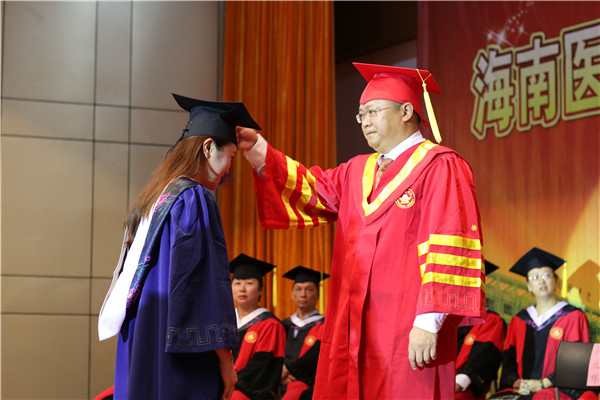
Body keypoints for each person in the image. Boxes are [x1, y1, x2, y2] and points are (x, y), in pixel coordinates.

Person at [236, 62, 486, 399]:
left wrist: (428, 322)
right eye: (360, 114)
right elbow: (311, 190)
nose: (365, 121)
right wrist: (258, 151)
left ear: (407, 111)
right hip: (353, 322)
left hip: (405, 324)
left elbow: (450, 240)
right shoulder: (357, 170)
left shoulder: (440, 165)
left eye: (372, 111)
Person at [98, 94, 262, 400]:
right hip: (180, 351)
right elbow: (203, 286)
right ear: (208, 147)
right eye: (231, 156)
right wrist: (226, 360)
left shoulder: (155, 198)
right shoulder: (193, 200)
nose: (229, 168)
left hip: (142, 336)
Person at [491, 248, 591, 400]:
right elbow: (509, 364)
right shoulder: (519, 320)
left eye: (546, 275)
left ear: (556, 281)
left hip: (558, 390)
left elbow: (577, 363)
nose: (541, 281)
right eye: (535, 277)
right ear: (528, 286)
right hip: (523, 390)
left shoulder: (573, 316)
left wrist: (543, 383)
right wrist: (516, 382)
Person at [230, 253, 286, 400]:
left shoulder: (270, 325)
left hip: (247, 394)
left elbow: (263, 369)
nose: (242, 289)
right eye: (237, 283)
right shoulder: (223, 322)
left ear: (261, 289)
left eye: (249, 283)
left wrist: (228, 383)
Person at [455, 261, 506, 400]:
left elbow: (485, 356)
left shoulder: (490, 319)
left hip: (463, 389)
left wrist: (460, 382)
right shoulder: (444, 318)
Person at [280, 266, 330, 400]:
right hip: (278, 385)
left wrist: (293, 373)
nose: (303, 294)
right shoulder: (282, 325)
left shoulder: (326, 326)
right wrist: (278, 374)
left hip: (310, 388)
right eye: (298, 289)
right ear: (292, 294)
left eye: (309, 289)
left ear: (318, 295)